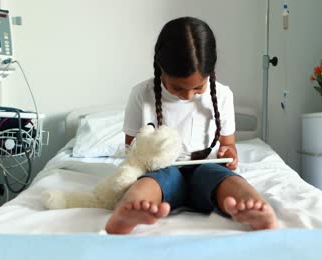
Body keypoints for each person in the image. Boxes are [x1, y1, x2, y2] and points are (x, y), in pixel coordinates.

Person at [105, 17, 277, 234]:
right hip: (162, 169)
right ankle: (128, 210)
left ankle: (256, 207)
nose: (187, 95)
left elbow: (229, 145)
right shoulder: (142, 94)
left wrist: (229, 152)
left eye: (198, 87)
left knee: (225, 179)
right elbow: (132, 148)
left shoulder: (222, 95)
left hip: (208, 166)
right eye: (177, 87)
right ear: (161, 67)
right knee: (150, 183)